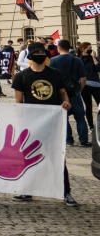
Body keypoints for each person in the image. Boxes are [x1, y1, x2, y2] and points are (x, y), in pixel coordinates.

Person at [11, 42, 77, 206]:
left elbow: (63, 93)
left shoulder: (55, 74)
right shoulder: (21, 76)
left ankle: (65, 192)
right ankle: (27, 190)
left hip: (53, 123)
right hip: (31, 124)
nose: (40, 54)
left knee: (58, 157)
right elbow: (18, 102)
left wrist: (66, 103)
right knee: (29, 156)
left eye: (42, 52)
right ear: (31, 55)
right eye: (37, 52)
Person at [49, 40, 89, 147]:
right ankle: (83, 140)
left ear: (59, 48)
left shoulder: (52, 61)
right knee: (80, 117)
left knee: (63, 118)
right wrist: (79, 90)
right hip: (75, 93)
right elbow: (83, 79)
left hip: (60, 94)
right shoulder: (77, 60)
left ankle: (68, 140)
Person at [78, 42, 99, 132]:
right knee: (88, 106)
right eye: (89, 48)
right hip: (85, 85)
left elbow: (98, 69)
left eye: (91, 48)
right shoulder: (79, 59)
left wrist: (94, 58)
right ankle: (91, 126)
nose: (91, 49)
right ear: (83, 49)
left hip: (96, 84)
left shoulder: (93, 58)